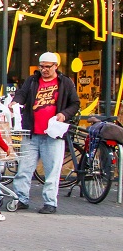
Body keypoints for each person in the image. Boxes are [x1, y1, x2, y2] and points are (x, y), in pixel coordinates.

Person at [10, 52, 80, 215]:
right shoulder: (32, 80)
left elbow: (75, 103)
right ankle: (21, 199)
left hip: (53, 134)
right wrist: (16, 102)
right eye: (41, 66)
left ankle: (50, 202)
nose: (44, 70)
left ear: (56, 66)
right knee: (24, 169)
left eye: (48, 67)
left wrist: (64, 114)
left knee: (52, 170)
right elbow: (22, 94)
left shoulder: (65, 82)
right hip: (32, 133)